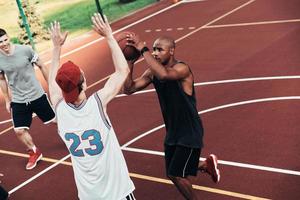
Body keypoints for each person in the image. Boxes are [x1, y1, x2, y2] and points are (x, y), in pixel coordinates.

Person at [48, 14, 135, 200]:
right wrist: (109, 36)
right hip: (117, 193)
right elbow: (122, 71)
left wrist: (56, 49)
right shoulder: (97, 103)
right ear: (84, 83)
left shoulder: (59, 109)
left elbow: (53, 88)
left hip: (89, 196)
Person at [123, 35, 220, 199]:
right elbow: (129, 89)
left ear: (172, 51)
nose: (155, 53)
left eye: (159, 49)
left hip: (189, 130)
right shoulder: (153, 72)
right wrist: (130, 63)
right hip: (173, 130)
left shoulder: (182, 69)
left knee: (177, 174)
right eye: (153, 49)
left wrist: (143, 49)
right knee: (171, 172)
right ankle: (206, 165)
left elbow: (165, 75)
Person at [0, 29, 55, 170]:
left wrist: (51, 85)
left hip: (37, 95)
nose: (4, 43)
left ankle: (73, 137)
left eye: (5, 40)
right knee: (19, 130)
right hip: (18, 99)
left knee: (55, 121)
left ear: (9, 38)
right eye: (0, 42)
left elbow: (41, 65)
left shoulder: (25, 50)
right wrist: (7, 99)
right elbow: (2, 79)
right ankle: (34, 151)